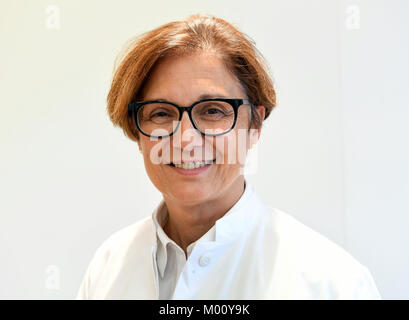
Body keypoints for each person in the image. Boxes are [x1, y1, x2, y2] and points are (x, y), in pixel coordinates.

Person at [76, 14, 381, 299]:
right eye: (160, 113)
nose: (186, 139)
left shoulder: (331, 281)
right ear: (137, 133)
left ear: (255, 125)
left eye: (212, 111)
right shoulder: (108, 268)